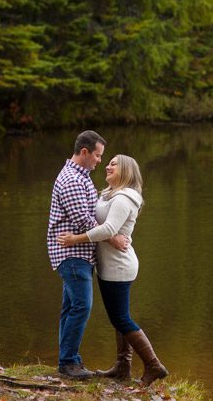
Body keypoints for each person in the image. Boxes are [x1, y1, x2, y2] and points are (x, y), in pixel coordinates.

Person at [58, 154, 169, 387]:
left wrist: (75, 239)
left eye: (113, 164)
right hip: (111, 265)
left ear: (126, 170)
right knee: (119, 317)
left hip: (119, 266)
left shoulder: (124, 198)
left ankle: (153, 365)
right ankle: (122, 367)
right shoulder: (109, 194)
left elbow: (108, 229)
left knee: (120, 317)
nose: (107, 166)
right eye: (106, 162)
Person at [47, 130, 129, 380]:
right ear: (84, 152)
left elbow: (91, 211)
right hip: (72, 253)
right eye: (97, 155)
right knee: (82, 305)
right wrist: (112, 237)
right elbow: (82, 220)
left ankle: (67, 360)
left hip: (78, 253)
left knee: (71, 306)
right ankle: (69, 363)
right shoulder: (72, 179)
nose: (99, 161)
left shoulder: (81, 177)